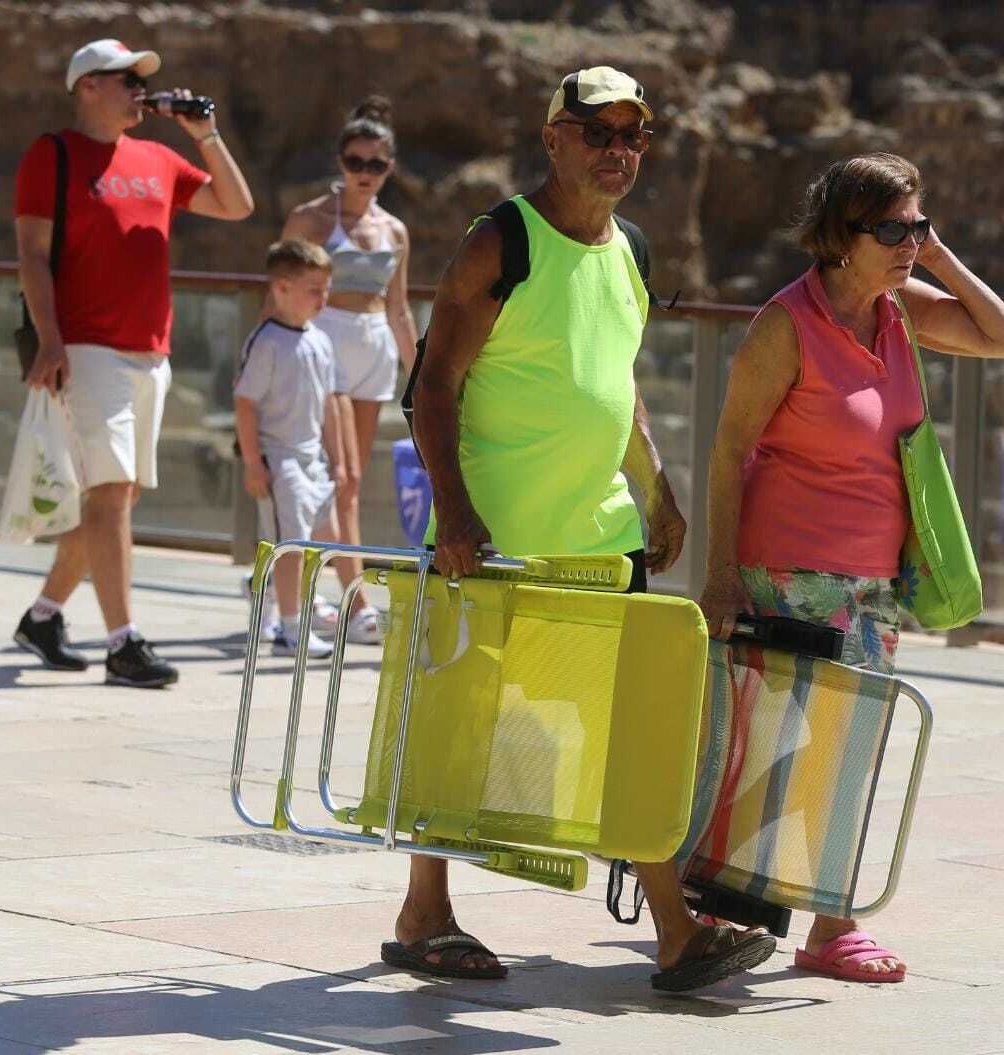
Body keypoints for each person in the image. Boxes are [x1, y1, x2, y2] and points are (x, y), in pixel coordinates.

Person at [399, 66, 776, 992]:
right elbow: (433, 384)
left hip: (600, 540)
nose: (618, 151)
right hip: (497, 542)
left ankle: (676, 932)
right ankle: (424, 913)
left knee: (629, 732)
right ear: (554, 139)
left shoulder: (631, 249)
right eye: (598, 132)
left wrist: (658, 493)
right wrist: (455, 513)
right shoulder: (502, 241)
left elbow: (617, 384)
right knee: (463, 724)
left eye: (633, 136)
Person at [699, 153, 1004, 983]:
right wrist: (719, 574)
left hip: (870, 581)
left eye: (919, 225)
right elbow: (730, 450)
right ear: (842, 236)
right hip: (784, 570)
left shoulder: (901, 312)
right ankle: (720, 905)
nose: (909, 242)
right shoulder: (786, 324)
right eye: (893, 229)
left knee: (850, 751)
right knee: (768, 744)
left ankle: (828, 925)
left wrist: (938, 255)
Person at [11, 38, 253, 688]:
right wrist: (51, 338)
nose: (139, 89)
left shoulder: (158, 158)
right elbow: (31, 254)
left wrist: (205, 135)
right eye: (126, 79)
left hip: (151, 353)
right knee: (112, 496)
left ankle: (43, 616)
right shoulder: (52, 153)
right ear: (88, 85)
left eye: (141, 79)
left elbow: (237, 206)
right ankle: (124, 643)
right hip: (86, 348)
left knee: (115, 497)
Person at [279, 95, 416, 645]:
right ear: (340, 161)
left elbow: (399, 308)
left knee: (349, 481)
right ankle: (351, 600)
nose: (365, 172)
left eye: (376, 164)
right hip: (324, 342)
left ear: (390, 167)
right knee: (333, 474)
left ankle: (314, 588)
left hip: (374, 347)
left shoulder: (394, 230)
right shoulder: (311, 218)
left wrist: (422, 378)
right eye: (355, 161)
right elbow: (280, 292)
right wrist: (268, 356)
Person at [234, 239, 354, 660]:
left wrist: (339, 460)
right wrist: (253, 462)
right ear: (282, 288)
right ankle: (291, 628)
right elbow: (245, 403)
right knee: (292, 544)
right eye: (313, 290)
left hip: (312, 459)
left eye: (326, 289)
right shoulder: (266, 341)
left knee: (326, 537)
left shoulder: (320, 341)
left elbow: (329, 405)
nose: (323, 298)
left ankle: (266, 588)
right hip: (280, 458)